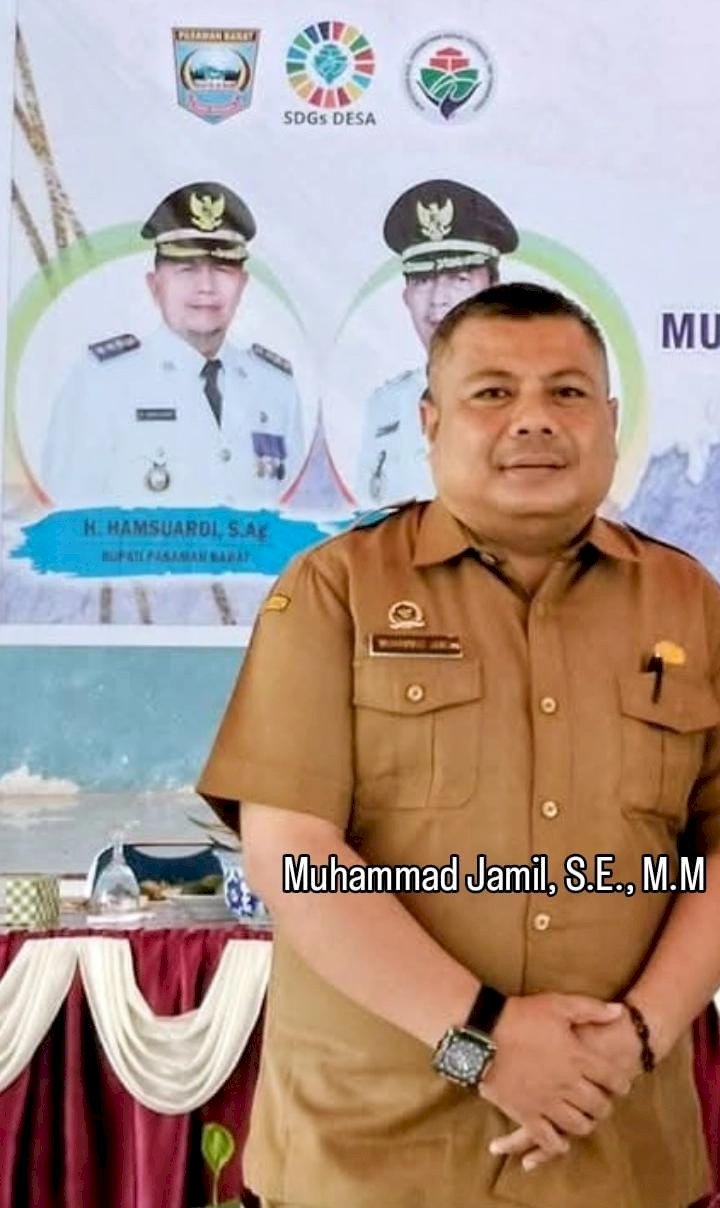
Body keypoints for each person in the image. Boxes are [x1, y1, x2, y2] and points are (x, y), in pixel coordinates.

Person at [198, 283, 720, 1208]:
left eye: (566, 393)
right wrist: (482, 1040)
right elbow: (294, 855)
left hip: (618, 1155)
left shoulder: (690, 604)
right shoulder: (334, 590)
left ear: (609, 422)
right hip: (368, 1163)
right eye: (493, 393)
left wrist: (638, 1036)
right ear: (430, 423)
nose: (534, 419)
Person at [41, 181, 305, 508]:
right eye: (187, 269)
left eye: (222, 269)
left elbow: (294, 518)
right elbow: (66, 518)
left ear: (242, 285)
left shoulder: (275, 386)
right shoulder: (101, 381)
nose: (206, 286)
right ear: (155, 286)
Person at [354, 178, 518, 507]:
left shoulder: (539, 399)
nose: (438, 299)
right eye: (423, 279)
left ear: (494, 289)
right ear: (406, 296)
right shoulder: (387, 406)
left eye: (459, 278)